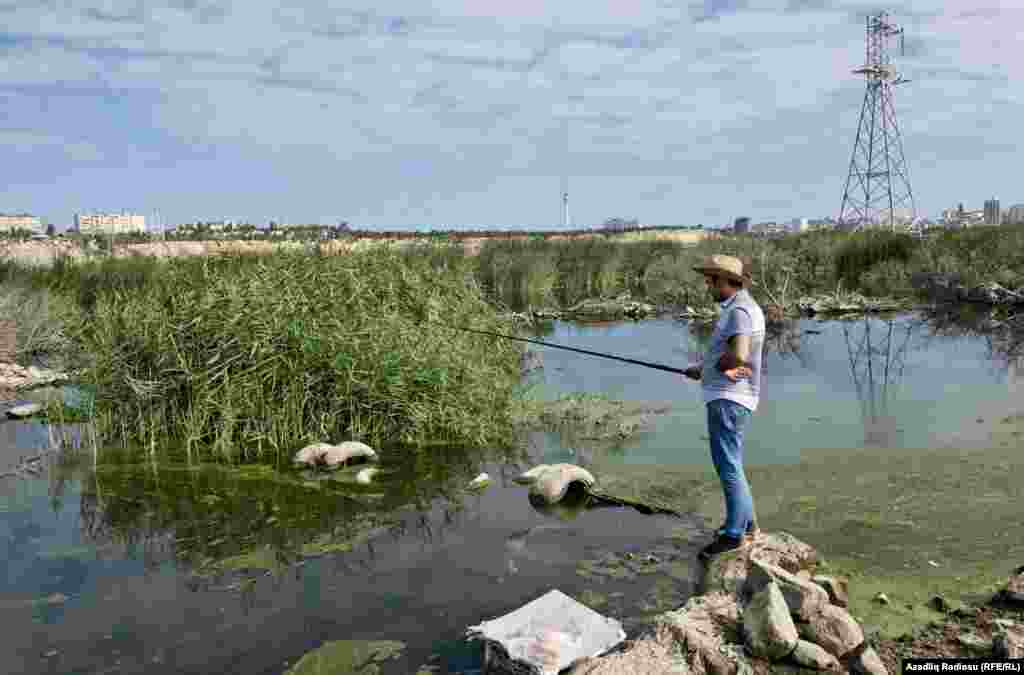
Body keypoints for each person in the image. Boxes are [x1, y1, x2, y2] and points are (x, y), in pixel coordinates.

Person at [683, 255, 766, 561]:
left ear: (727, 282)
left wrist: (710, 370)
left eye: (711, 280)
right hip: (734, 396)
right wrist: (704, 367)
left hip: (729, 398)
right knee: (733, 464)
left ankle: (733, 536)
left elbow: (740, 355)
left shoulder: (740, 311)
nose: (708, 285)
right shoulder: (745, 307)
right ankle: (749, 526)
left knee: (727, 465)